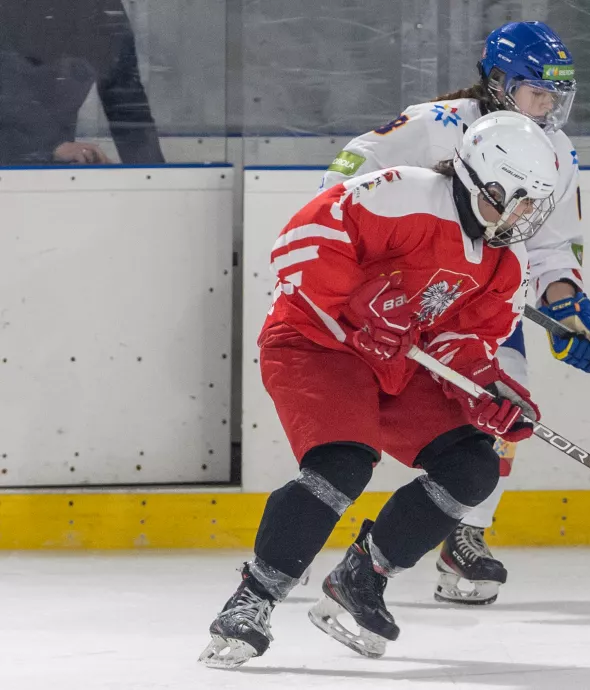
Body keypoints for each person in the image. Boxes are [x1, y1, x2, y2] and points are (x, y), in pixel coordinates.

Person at [198, 111, 560, 668]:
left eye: (531, 205)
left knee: (472, 465)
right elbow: (301, 240)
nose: (520, 217)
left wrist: (485, 389)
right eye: (512, 200)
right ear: (477, 180)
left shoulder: (505, 261)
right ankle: (253, 600)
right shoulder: (404, 194)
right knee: (343, 464)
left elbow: (464, 340)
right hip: (317, 342)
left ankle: (362, 576)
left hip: (393, 362)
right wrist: (356, 303)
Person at [321, 20, 590, 606]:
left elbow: (552, 245)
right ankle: (306, 532)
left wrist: (565, 305)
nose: (548, 106)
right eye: (537, 91)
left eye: (557, 94)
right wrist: (368, 264)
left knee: (506, 397)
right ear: (499, 82)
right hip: (402, 300)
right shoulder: (436, 123)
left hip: (480, 300)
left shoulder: (556, 150)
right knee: (345, 421)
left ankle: (464, 535)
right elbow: (344, 179)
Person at [0, 0, 164, 165]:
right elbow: (7, 86)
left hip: (53, 164)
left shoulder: (104, 9)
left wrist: (154, 174)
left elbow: (127, 106)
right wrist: (51, 143)